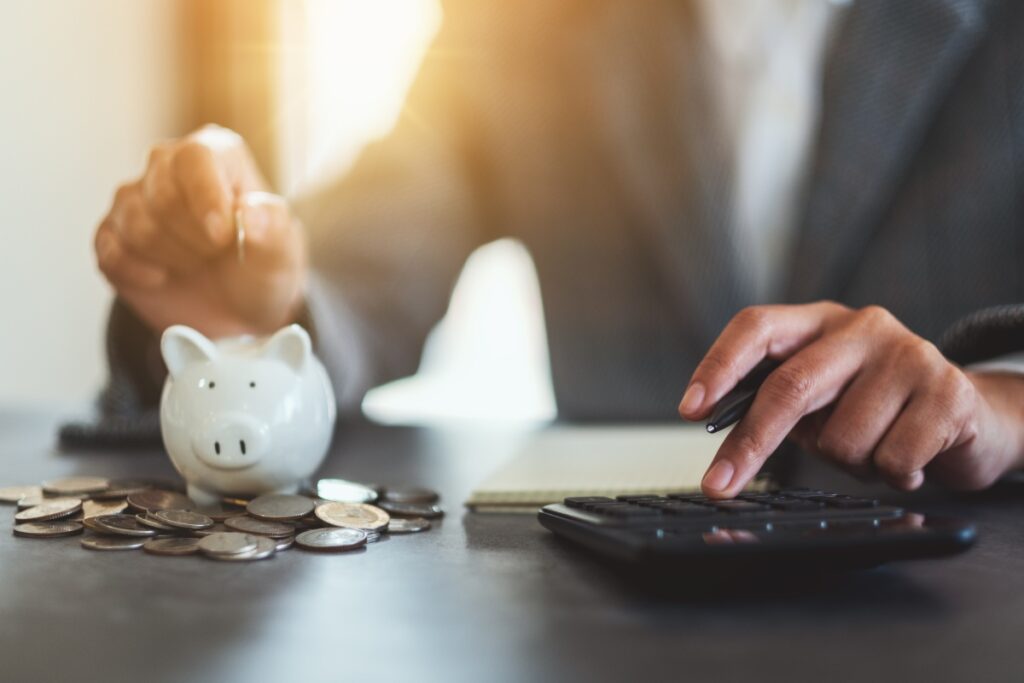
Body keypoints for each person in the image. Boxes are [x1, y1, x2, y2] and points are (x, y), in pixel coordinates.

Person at [93, 0, 1024, 499]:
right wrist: (261, 325)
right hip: (612, 617)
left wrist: (1005, 405)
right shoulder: (519, 23)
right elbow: (373, 255)